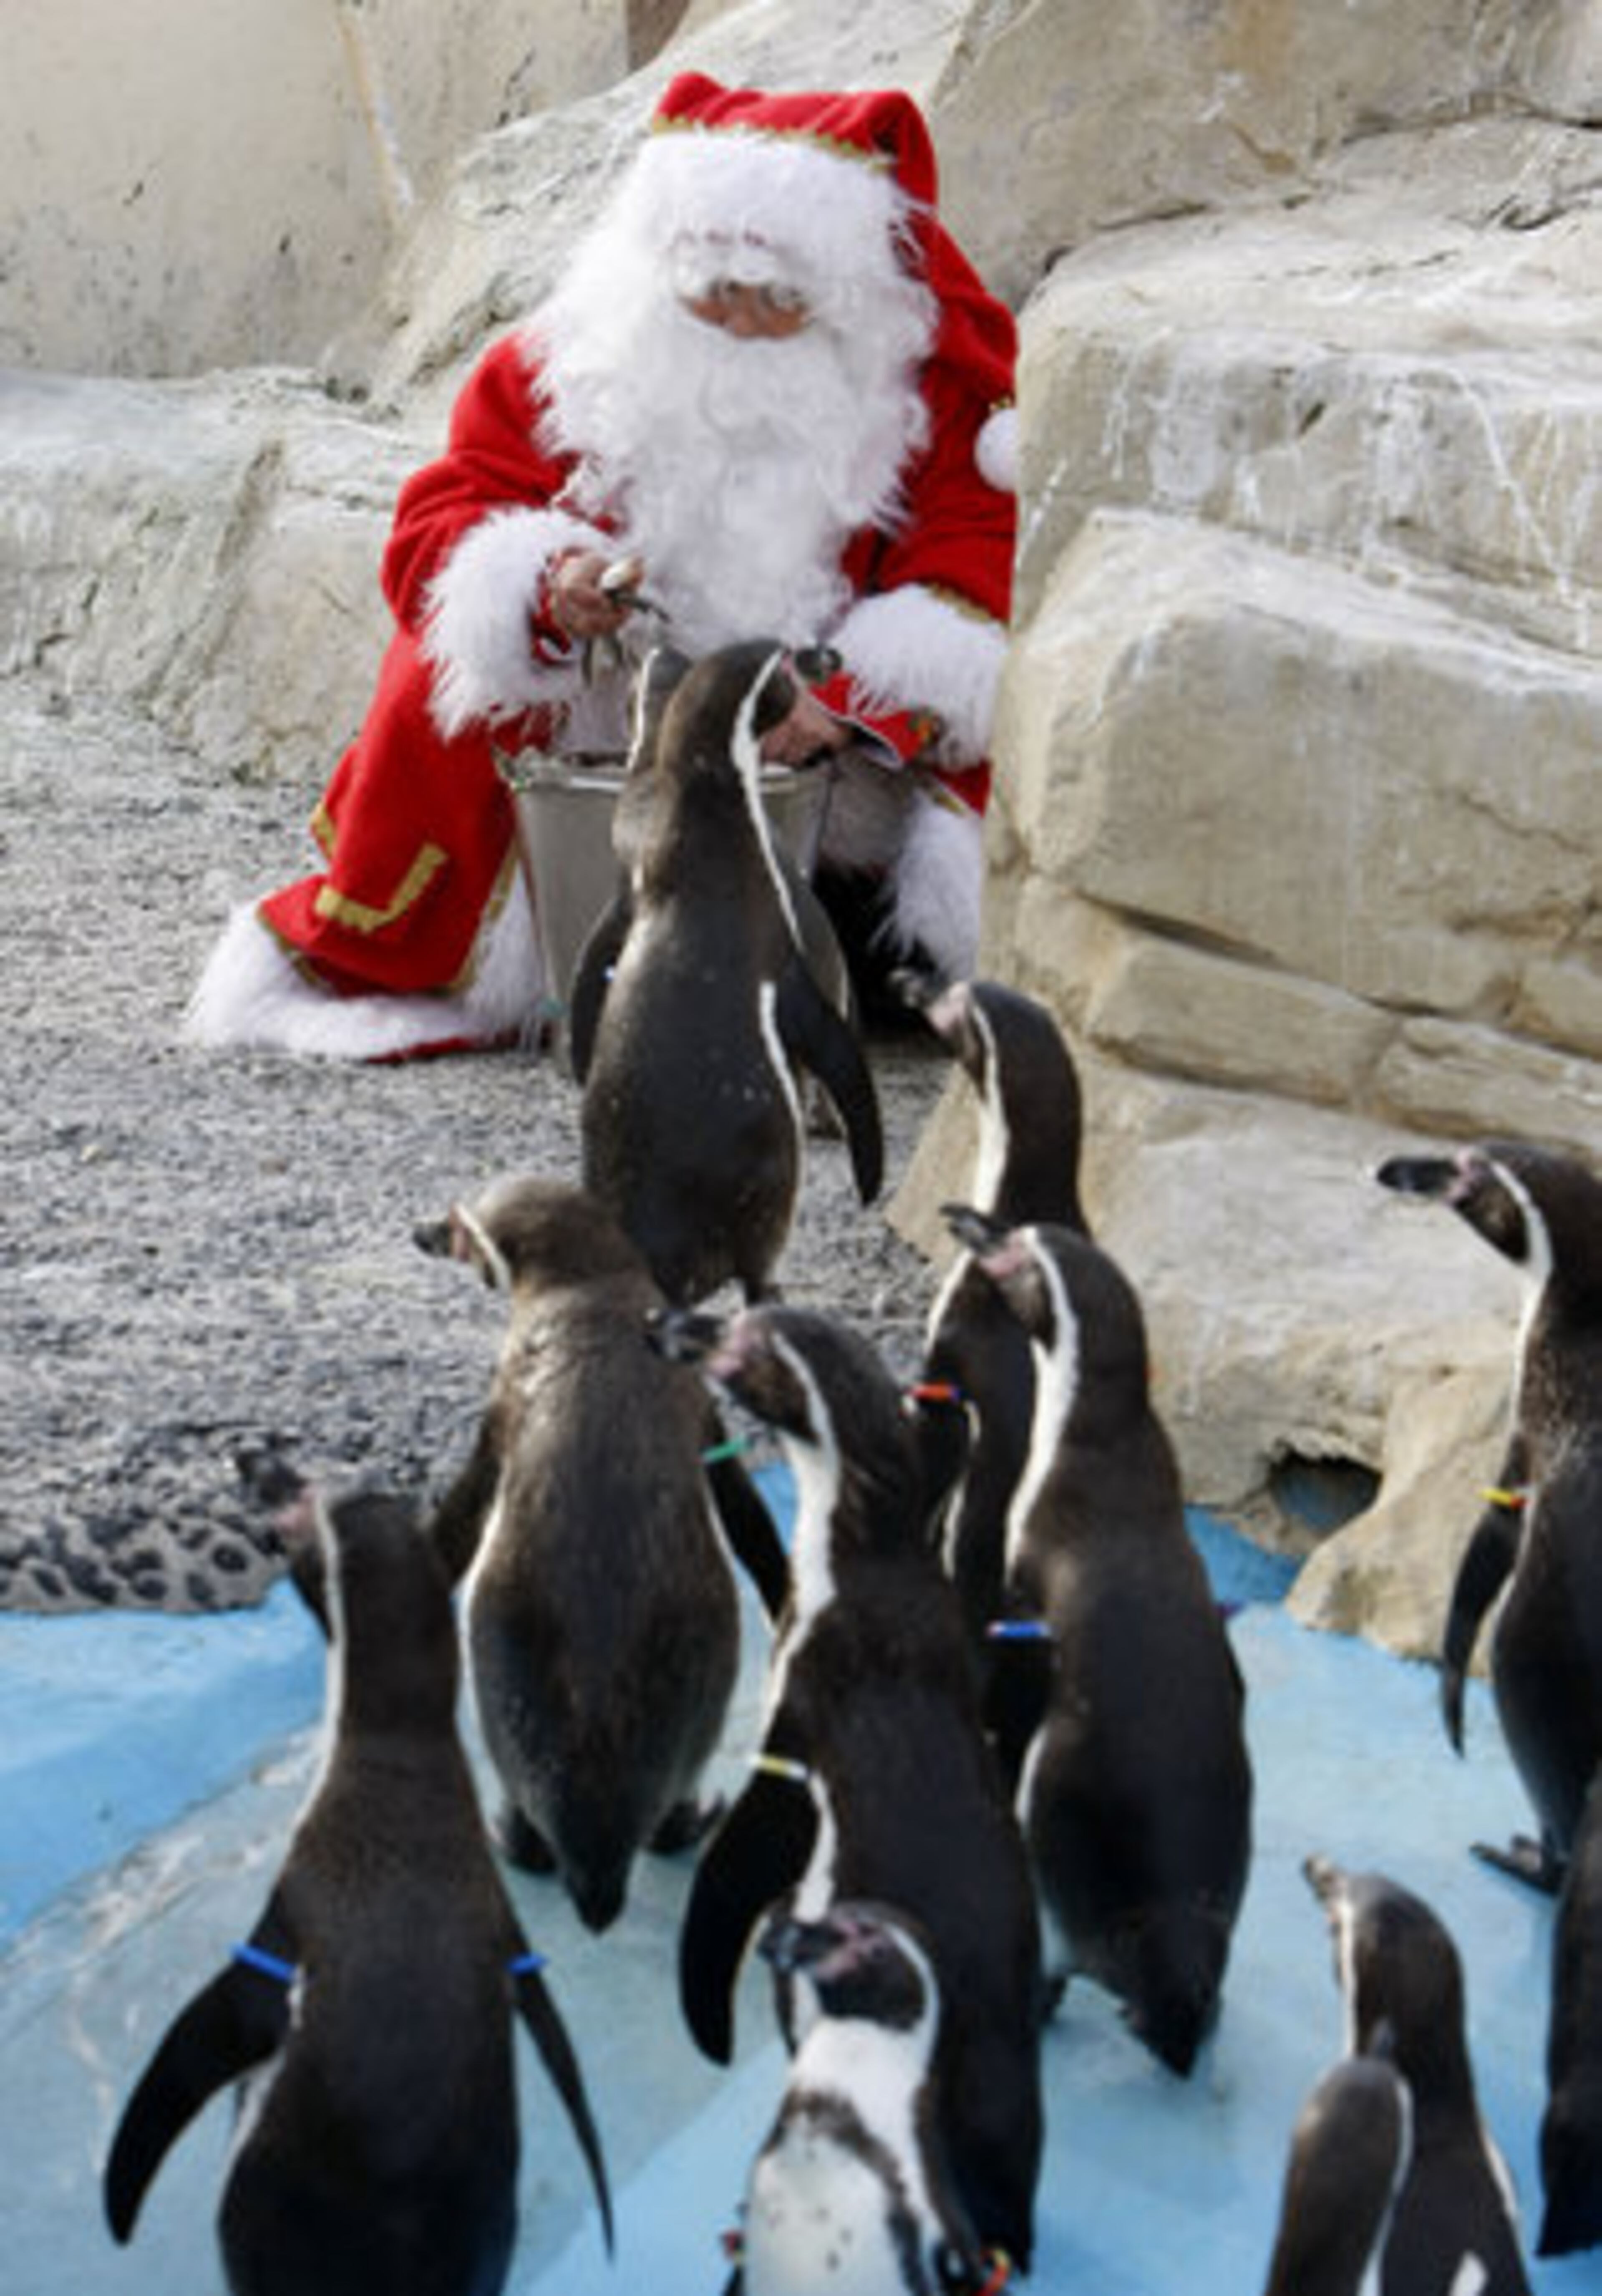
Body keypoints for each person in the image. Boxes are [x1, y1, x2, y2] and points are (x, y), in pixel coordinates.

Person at [186, 71, 1019, 1062]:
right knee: (442, 670)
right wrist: (548, 584)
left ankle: (843, 963)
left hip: (828, 764)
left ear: (843, 288)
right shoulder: (570, 359)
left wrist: (842, 703)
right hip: (603, 723)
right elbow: (442, 523)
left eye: (777, 297)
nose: (739, 321)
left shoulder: (928, 397)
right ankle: (506, 945)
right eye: (710, 291)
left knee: (977, 761)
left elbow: (978, 570)